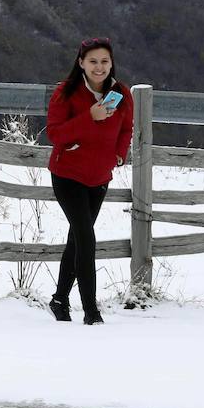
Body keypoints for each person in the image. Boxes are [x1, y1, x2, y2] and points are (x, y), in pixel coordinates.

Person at [45, 36, 133, 325]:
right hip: (68, 175)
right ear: (81, 63)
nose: (99, 67)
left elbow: (126, 129)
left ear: (111, 63)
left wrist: (118, 155)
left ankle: (59, 300)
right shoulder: (65, 93)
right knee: (86, 238)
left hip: (99, 178)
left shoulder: (121, 94)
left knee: (77, 240)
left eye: (104, 61)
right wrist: (89, 117)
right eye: (93, 61)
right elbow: (55, 135)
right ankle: (91, 312)